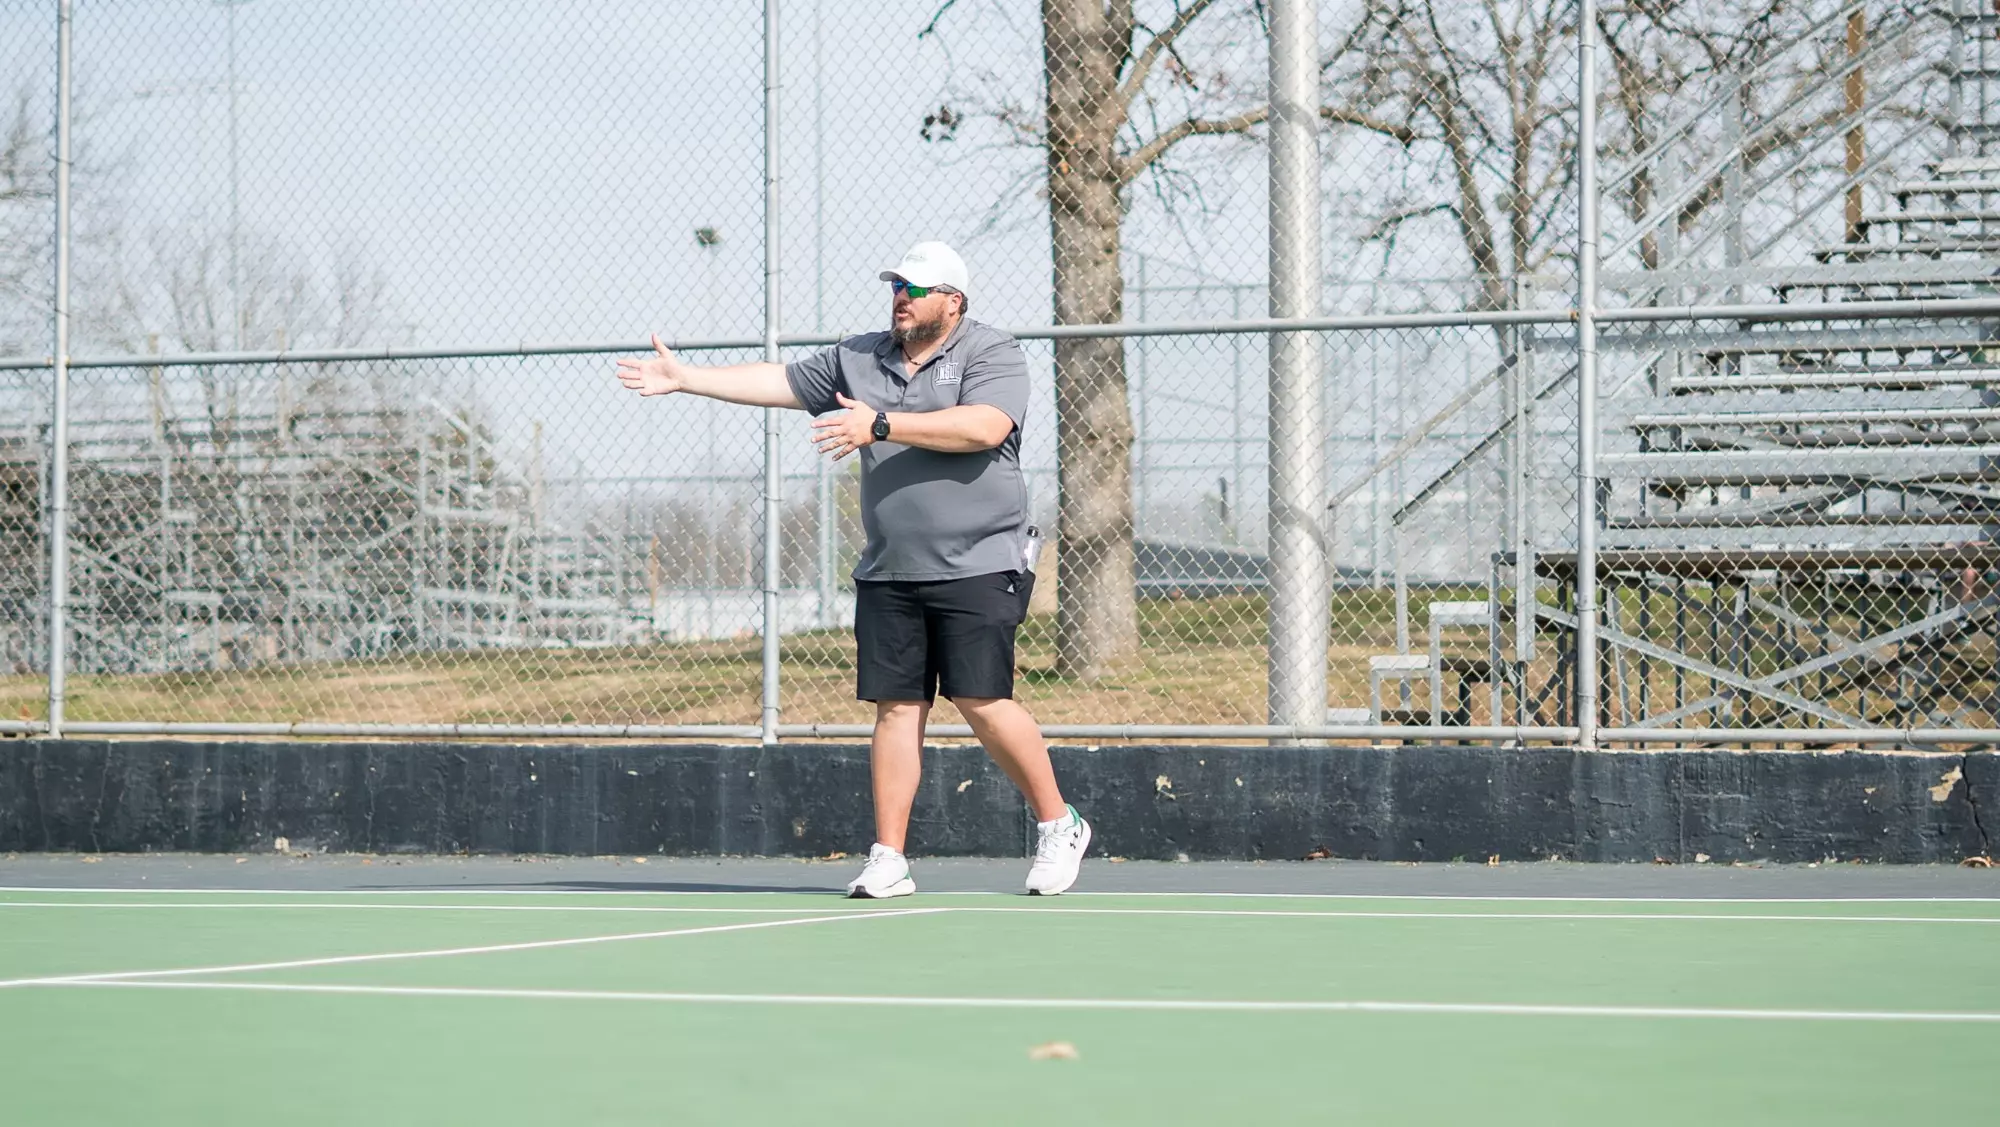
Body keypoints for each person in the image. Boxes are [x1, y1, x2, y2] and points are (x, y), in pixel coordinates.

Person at [614, 241, 1091, 897]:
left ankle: (1058, 823)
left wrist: (885, 425)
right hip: (890, 568)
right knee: (897, 709)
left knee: (982, 701)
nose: (902, 295)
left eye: (917, 288)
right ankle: (889, 857)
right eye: (897, 284)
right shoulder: (858, 356)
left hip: (982, 559)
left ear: (952, 301)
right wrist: (689, 377)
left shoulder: (991, 352)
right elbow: (780, 381)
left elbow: (984, 426)